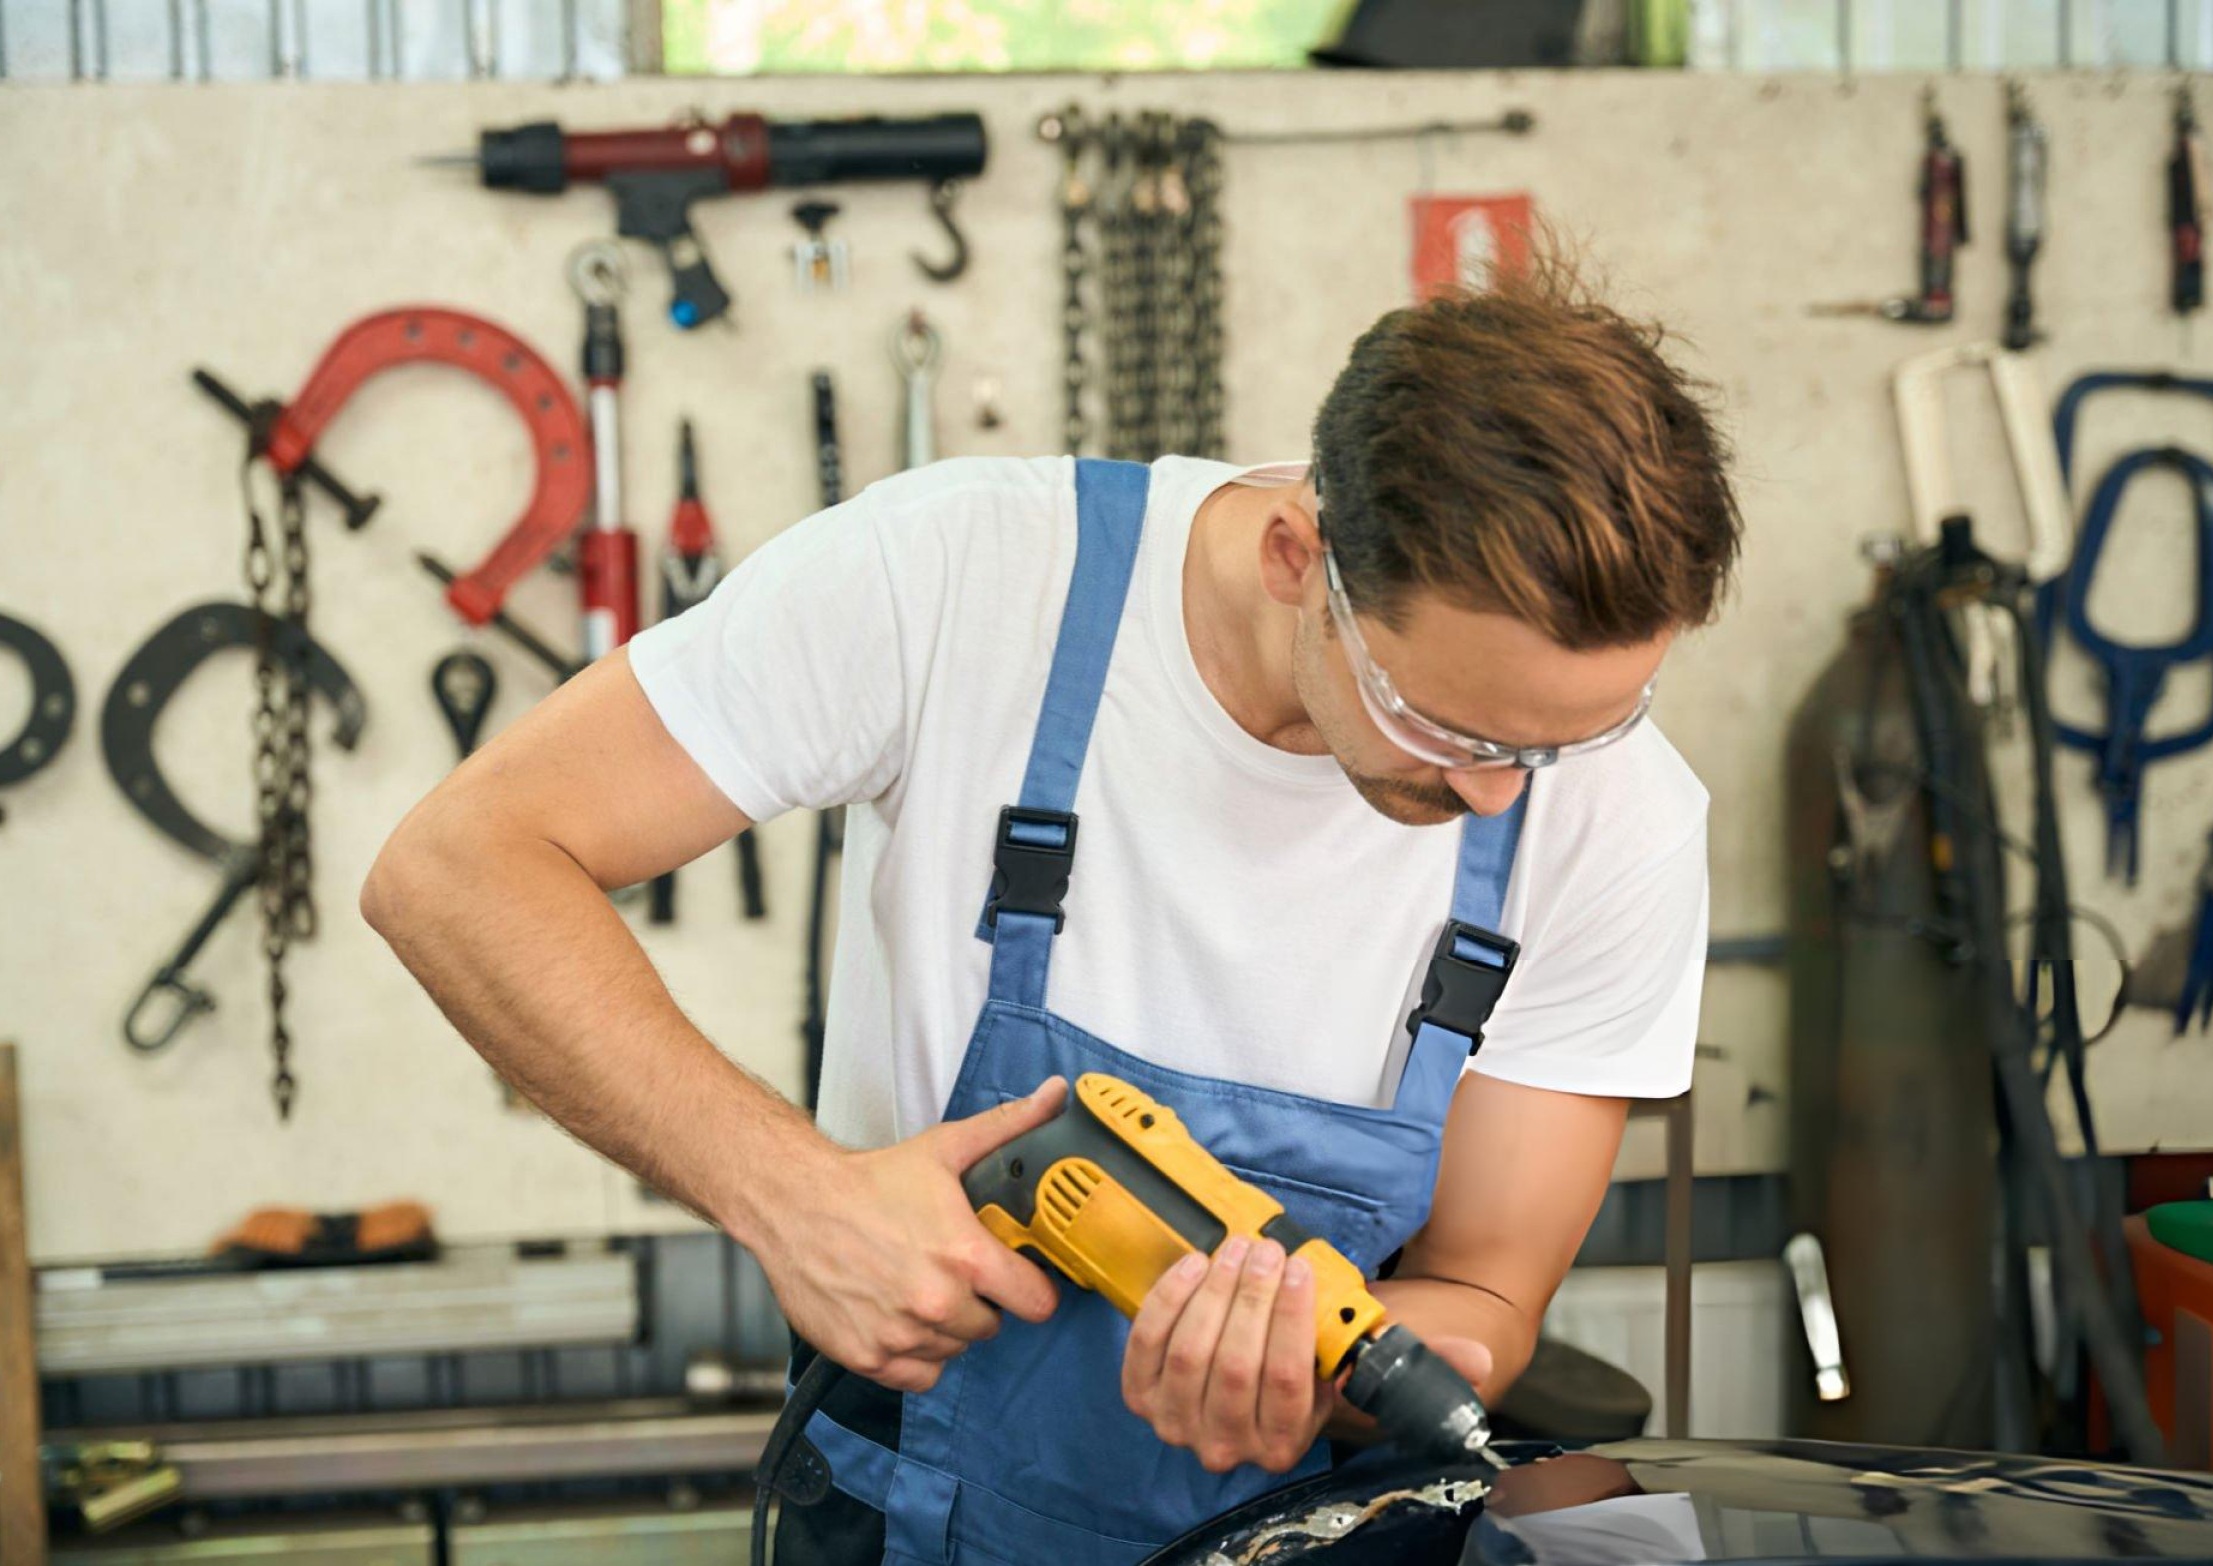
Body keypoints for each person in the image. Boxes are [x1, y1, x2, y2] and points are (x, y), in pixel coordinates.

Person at [362, 248, 1741, 1566]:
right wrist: (789, 1197)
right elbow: (461, 861)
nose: (1503, 796)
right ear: (1295, 554)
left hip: (1335, 1529)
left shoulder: (1617, 819)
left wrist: (1329, 1368)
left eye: (1565, 740)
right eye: (1445, 722)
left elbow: (1489, 1290)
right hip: (913, 1510)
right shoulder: (964, 577)